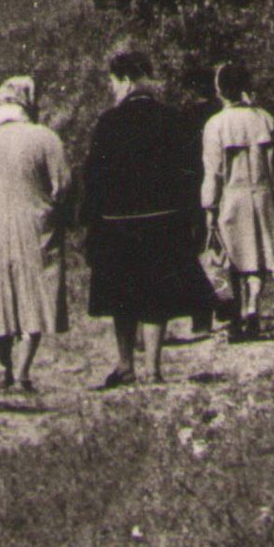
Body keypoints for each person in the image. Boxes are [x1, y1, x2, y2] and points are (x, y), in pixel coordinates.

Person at [80, 45, 224, 386]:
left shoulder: (108, 122)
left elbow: (94, 176)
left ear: (127, 80)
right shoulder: (171, 118)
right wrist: (193, 217)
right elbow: (191, 171)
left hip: (118, 224)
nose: (113, 89)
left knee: (122, 296)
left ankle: (126, 364)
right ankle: (154, 368)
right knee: (156, 295)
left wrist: (90, 220)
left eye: (114, 82)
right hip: (164, 220)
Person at [0, 73, 72, 391]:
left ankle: (5, 366)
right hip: (35, 226)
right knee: (35, 291)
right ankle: (22, 372)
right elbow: (64, 186)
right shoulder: (45, 138)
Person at [201, 60, 274, 340]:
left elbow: (213, 172)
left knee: (235, 257)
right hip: (263, 194)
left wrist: (209, 206)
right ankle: (252, 307)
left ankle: (240, 314)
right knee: (260, 254)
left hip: (232, 197)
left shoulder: (215, 125)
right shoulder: (264, 119)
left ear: (220, 90)